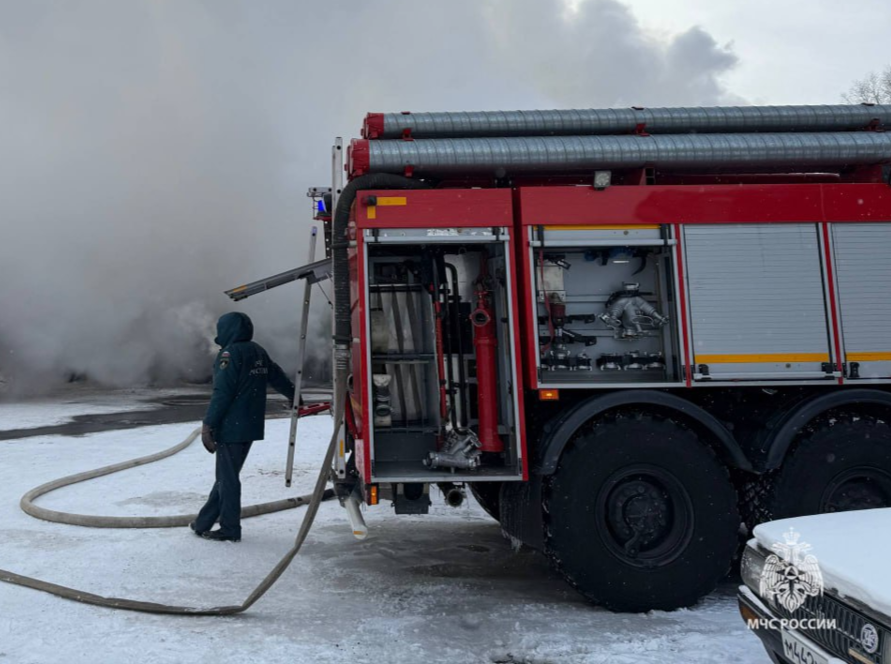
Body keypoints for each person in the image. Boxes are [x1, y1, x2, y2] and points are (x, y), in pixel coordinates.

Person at [191, 312, 296, 542]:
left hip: (231, 425)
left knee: (227, 479)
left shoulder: (229, 354)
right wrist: (293, 394)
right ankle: (203, 522)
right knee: (226, 476)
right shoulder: (257, 350)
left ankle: (230, 528)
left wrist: (208, 424)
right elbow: (275, 374)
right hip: (250, 424)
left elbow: (223, 393)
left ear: (228, 329)